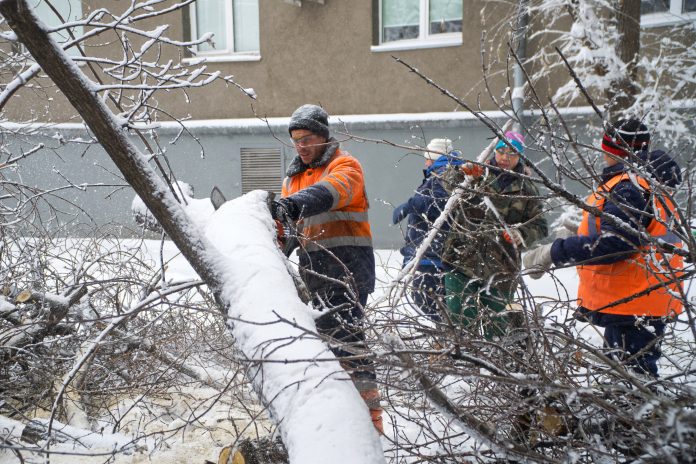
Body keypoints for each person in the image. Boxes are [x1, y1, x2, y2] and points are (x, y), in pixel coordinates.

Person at [523, 119, 684, 378]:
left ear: (609, 150)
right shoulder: (648, 183)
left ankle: (644, 419)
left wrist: (554, 251)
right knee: (630, 381)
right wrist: (583, 232)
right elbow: (640, 234)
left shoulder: (627, 186)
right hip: (641, 299)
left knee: (632, 386)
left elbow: (616, 244)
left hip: (632, 303)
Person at [269, 104, 382, 432]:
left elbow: (331, 192)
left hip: (349, 270)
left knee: (348, 345)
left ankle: (370, 423)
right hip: (313, 275)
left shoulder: (345, 165)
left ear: (323, 136)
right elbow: (289, 232)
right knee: (326, 350)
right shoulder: (292, 179)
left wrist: (292, 205)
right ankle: (338, 422)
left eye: (306, 138)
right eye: (295, 140)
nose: (301, 146)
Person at [441, 131, 548, 338]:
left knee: (497, 327)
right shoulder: (478, 173)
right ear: (494, 151)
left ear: (520, 156)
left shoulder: (527, 188)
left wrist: (521, 234)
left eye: (512, 153)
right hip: (462, 259)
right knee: (461, 322)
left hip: (502, 268)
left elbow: (541, 225)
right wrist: (462, 173)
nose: (505, 158)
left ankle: (496, 365)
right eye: (501, 151)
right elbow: (447, 183)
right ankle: (461, 366)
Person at [392, 138, 463, 321]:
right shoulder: (439, 174)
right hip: (428, 252)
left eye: (427, 158)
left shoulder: (445, 174)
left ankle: (450, 336)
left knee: (429, 299)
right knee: (431, 300)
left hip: (434, 254)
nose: (425, 162)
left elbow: (439, 202)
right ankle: (448, 336)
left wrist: (410, 205)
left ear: (436, 157)